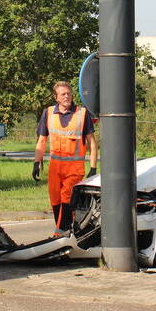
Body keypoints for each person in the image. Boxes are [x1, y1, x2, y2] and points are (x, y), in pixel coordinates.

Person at [32, 81, 97, 236]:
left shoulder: (82, 113)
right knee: (55, 201)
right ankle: (67, 232)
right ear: (56, 98)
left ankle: (59, 233)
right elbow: (41, 141)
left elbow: (92, 144)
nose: (67, 96)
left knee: (66, 198)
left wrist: (93, 167)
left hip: (74, 169)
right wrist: (36, 163)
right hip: (55, 168)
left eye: (69, 93)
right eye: (63, 94)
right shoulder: (48, 113)